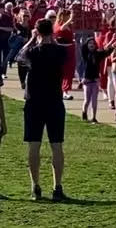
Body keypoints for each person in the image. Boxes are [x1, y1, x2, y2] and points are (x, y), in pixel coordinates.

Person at [16, 19, 69, 201]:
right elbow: (62, 50)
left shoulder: (32, 51)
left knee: (34, 145)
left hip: (34, 102)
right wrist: (52, 39)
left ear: (37, 32)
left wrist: (32, 39)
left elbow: (19, 57)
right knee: (56, 146)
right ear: (51, 32)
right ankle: (57, 186)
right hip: (54, 101)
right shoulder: (60, 51)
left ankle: (36, 185)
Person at [79, 38, 113, 123]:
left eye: (93, 43)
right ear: (87, 45)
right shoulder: (85, 54)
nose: (92, 45)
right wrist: (83, 41)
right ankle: (84, 112)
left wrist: (112, 46)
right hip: (87, 80)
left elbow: (106, 52)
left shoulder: (98, 54)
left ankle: (93, 117)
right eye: (90, 43)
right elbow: (82, 47)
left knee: (94, 100)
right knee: (87, 100)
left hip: (95, 80)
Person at [54, 10, 76, 100]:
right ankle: (63, 90)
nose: (68, 16)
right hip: (63, 50)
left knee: (69, 71)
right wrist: (71, 18)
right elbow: (62, 28)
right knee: (63, 71)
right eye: (66, 15)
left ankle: (65, 90)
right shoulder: (59, 25)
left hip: (70, 49)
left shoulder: (68, 25)